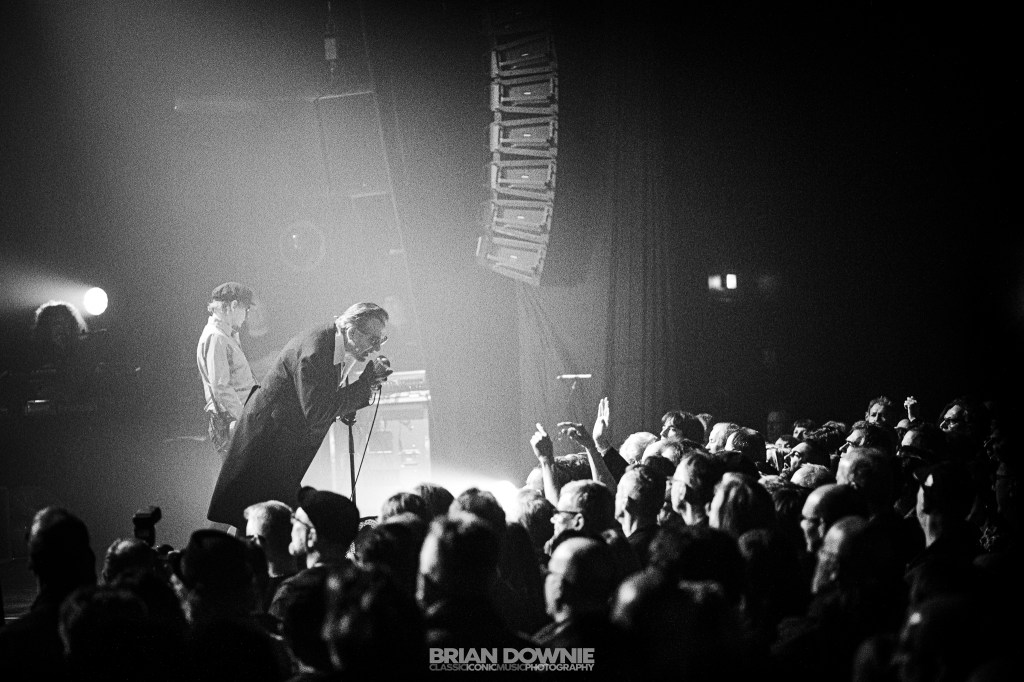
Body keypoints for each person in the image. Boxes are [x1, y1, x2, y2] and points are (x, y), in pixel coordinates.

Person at [207, 302, 393, 530]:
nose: (376, 348)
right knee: (265, 520)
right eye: (373, 340)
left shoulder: (334, 344)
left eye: (381, 340)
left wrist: (360, 390)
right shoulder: (317, 349)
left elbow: (323, 400)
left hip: (280, 445)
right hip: (268, 445)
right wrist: (364, 384)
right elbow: (316, 411)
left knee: (259, 523)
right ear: (352, 332)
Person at [196, 282, 258, 456]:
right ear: (233, 306)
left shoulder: (225, 335)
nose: (246, 317)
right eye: (246, 310)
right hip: (232, 422)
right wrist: (245, 419)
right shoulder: (216, 337)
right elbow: (221, 387)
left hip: (238, 420)